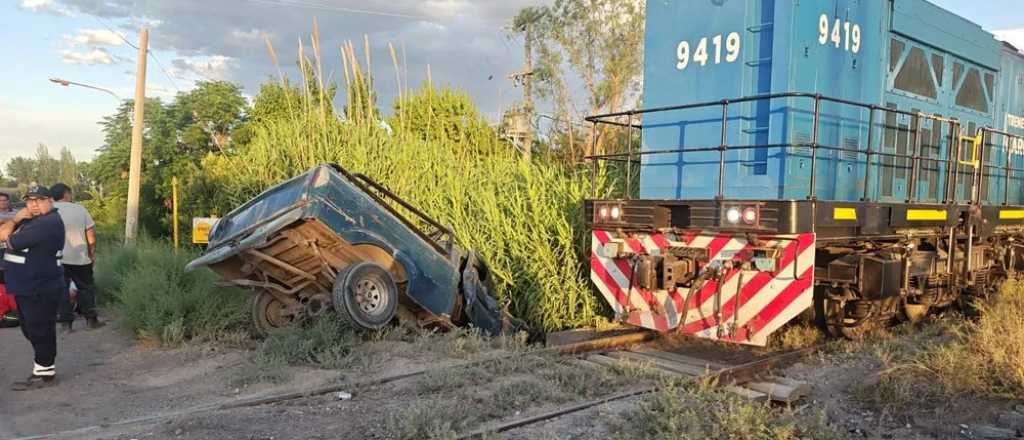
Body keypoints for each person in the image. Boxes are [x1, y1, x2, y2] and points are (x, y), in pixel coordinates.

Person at [0, 186, 66, 390]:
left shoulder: (46, 223)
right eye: (30, 201)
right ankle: (44, 367)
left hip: (38, 286)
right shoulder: (36, 220)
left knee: (39, 329)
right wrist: (18, 220)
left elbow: (5, 238)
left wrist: (15, 220)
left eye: (39, 200)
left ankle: (45, 372)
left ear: (50, 201)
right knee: (32, 328)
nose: (34, 204)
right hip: (27, 285)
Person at [51, 183, 103, 331]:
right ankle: (91, 320)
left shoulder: (48, 210)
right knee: (85, 288)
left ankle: (66, 324)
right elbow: (91, 234)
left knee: (62, 290)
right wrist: (92, 253)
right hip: (80, 257)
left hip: (56, 258)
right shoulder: (79, 209)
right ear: (66, 194)